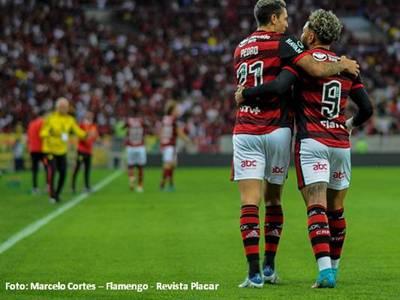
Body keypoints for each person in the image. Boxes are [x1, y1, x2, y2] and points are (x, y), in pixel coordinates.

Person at [236, 9, 373, 288]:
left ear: (311, 34)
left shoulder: (299, 63)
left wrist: (246, 94)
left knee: (316, 207)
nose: (294, 28)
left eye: (304, 28)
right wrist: (350, 123)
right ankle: (334, 268)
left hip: (311, 141)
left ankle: (323, 272)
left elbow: (280, 85)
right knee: (337, 210)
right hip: (340, 144)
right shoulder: (347, 66)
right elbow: (367, 109)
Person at [40, 97, 87, 203]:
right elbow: (42, 133)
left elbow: (77, 130)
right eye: (62, 106)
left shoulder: (70, 119)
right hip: (50, 150)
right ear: (57, 107)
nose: (64, 108)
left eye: (65, 107)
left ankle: (57, 193)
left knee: (63, 173)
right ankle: (52, 195)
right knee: (52, 171)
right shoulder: (50, 118)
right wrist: (50, 133)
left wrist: (86, 135)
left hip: (62, 150)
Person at [159, 100, 190, 191]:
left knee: (170, 164)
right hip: (170, 145)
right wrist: (187, 140)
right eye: (176, 109)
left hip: (164, 144)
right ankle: (164, 184)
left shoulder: (164, 119)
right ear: (172, 110)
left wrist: (161, 141)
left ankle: (170, 184)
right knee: (169, 165)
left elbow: (161, 132)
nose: (178, 111)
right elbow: (179, 132)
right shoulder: (173, 120)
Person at [71, 112, 98, 193]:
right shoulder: (82, 125)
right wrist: (88, 135)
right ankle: (73, 186)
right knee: (77, 168)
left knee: (87, 169)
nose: (90, 117)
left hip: (89, 151)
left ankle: (87, 186)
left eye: (91, 116)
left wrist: (92, 136)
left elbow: (94, 137)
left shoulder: (93, 126)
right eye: (88, 116)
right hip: (81, 150)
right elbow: (80, 135)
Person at [125, 113, 147, 192]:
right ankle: (140, 186)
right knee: (140, 167)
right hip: (140, 146)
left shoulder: (128, 121)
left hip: (131, 146)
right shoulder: (142, 121)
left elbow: (123, 128)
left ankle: (131, 178)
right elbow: (147, 127)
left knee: (130, 166)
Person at [27, 110, 47, 193]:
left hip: (33, 150)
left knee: (34, 170)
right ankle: (48, 186)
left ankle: (35, 187)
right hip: (42, 149)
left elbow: (29, 137)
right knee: (48, 168)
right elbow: (43, 135)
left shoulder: (31, 124)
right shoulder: (43, 122)